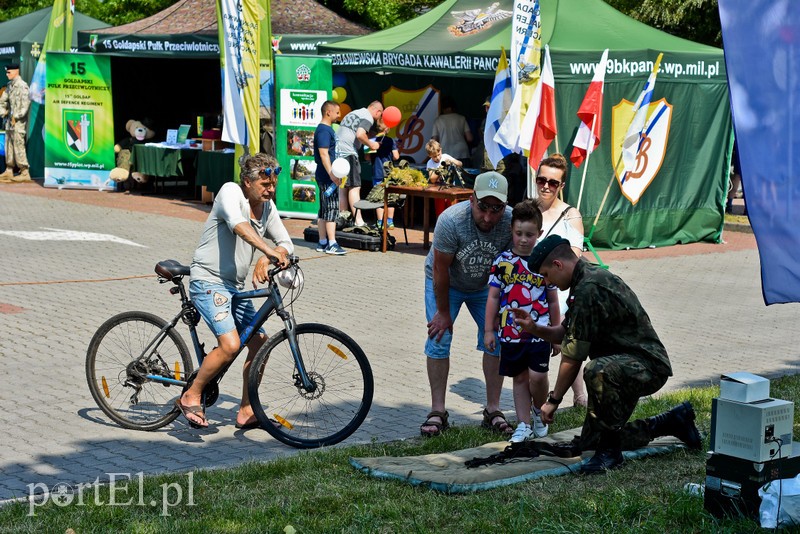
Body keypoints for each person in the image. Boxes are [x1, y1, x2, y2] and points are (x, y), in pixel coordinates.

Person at [511, 235, 702, 473]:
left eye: (547, 275)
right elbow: (565, 333)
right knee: (590, 443)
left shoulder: (589, 287)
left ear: (558, 264)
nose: (547, 281)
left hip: (645, 366)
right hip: (622, 366)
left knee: (596, 371)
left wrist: (553, 401)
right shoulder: (585, 280)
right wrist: (534, 328)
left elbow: (572, 358)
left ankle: (610, 455)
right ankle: (673, 421)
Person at [176, 153, 293, 429]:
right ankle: (191, 395)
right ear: (247, 182)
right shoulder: (230, 192)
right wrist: (267, 249)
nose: (271, 189)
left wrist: (269, 256)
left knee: (259, 344)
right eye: (265, 184)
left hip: (235, 288)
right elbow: (238, 227)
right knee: (230, 345)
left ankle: (247, 410)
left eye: (273, 184)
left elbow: (286, 241)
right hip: (208, 281)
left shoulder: (267, 207)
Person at [421, 171, 514, 437]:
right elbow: (440, 270)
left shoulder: (509, 222)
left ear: (504, 207)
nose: (488, 216)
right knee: (439, 337)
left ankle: (493, 409)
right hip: (446, 282)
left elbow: (511, 267)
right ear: (472, 199)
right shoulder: (451, 220)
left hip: (485, 286)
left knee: (496, 337)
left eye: (496, 209)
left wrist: (502, 309)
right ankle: (437, 411)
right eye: (483, 207)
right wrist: (442, 312)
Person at [484, 199, 559, 443]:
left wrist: (557, 333)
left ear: (540, 233)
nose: (524, 239)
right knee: (519, 378)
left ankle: (539, 409)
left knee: (537, 377)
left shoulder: (545, 263)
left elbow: (553, 300)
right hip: (511, 333)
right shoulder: (502, 262)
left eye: (529, 234)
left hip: (540, 331)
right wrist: (488, 330)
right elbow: (493, 297)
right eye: (519, 234)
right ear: (511, 232)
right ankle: (524, 424)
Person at [534, 154, 588, 407]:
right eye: (542, 179)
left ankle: (580, 397)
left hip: (562, 292)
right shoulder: (527, 210)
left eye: (553, 182)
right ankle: (538, 401)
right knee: (539, 348)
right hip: (531, 292)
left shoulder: (571, 215)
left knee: (570, 345)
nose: (546, 186)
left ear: (561, 186)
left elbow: (575, 257)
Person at [336, 100, 383, 227]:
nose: (379, 118)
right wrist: (372, 144)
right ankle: (358, 221)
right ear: (377, 111)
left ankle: (343, 218)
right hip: (348, 153)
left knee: (343, 187)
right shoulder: (368, 117)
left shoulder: (355, 113)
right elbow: (360, 134)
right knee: (354, 187)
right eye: (380, 114)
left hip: (338, 153)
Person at [312, 100, 347, 255]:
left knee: (324, 210)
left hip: (326, 176)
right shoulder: (324, 131)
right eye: (337, 112)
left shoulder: (326, 130)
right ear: (328, 112)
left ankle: (322, 241)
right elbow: (323, 153)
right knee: (331, 209)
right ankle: (332, 243)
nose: (338, 115)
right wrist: (332, 174)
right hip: (327, 178)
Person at [0, 64, 31, 183]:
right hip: (9, 122)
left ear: (16, 71)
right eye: (7, 72)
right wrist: (4, 113)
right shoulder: (9, 86)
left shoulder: (22, 86)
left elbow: (25, 105)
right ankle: (9, 170)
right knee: (9, 146)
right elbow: (2, 101)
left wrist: (16, 116)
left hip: (18, 123)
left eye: (9, 72)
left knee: (18, 145)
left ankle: (24, 171)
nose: (7, 74)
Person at [367, 118, 399, 229]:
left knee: (377, 197)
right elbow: (396, 156)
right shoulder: (391, 140)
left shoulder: (370, 140)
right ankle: (390, 221)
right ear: (387, 128)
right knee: (390, 197)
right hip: (389, 173)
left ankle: (380, 222)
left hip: (376, 172)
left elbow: (367, 157)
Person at [432, 95, 473, 166]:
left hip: (445, 154)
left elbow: (434, 141)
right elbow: (469, 138)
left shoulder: (438, 120)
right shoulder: (461, 118)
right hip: (462, 153)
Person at [426, 139, 463, 216]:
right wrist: (441, 168)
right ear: (430, 156)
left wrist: (452, 161)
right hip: (438, 191)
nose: (438, 158)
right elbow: (432, 179)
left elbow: (460, 164)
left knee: (452, 211)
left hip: (450, 188)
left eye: (439, 154)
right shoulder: (430, 163)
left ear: (441, 150)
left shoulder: (445, 156)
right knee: (440, 212)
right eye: (434, 156)